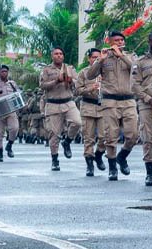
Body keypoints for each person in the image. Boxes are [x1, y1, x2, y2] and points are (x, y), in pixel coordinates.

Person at [86, 31, 141, 181]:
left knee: (133, 135)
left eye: (121, 40)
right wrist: (99, 60)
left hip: (129, 100)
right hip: (110, 101)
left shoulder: (131, 56)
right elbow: (89, 76)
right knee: (111, 137)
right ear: (110, 42)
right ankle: (112, 167)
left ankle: (122, 157)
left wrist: (121, 56)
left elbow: (137, 70)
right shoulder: (104, 58)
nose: (119, 43)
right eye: (116, 41)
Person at [39, 48, 81, 171]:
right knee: (54, 134)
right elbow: (42, 85)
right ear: (52, 56)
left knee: (77, 122)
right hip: (53, 104)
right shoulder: (46, 70)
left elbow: (78, 83)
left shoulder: (70, 68)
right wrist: (56, 80)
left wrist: (70, 80)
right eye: (56, 54)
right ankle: (55, 159)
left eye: (61, 54)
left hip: (68, 101)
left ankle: (67, 141)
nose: (59, 56)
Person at [134, 31, 152, 186]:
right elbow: (135, 85)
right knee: (148, 138)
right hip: (147, 103)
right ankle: (150, 173)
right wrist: (147, 99)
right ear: (149, 41)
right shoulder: (140, 62)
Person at [76, 48, 105, 176]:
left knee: (105, 136)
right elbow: (77, 90)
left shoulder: (106, 71)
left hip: (103, 107)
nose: (95, 60)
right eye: (93, 57)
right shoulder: (84, 73)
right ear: (89, 59)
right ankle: (89, 164)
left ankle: (99, 154)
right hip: (88, 106)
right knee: (89, 138)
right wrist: (90, 88)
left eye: (98, 57)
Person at [0, 65, 21, 161]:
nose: (4, 73)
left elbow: (18, 93)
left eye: (6, 71)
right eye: (2, 71)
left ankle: (9, 145)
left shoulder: (12, 83)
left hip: (11, 110)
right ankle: (0, 154)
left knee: (14, 128)